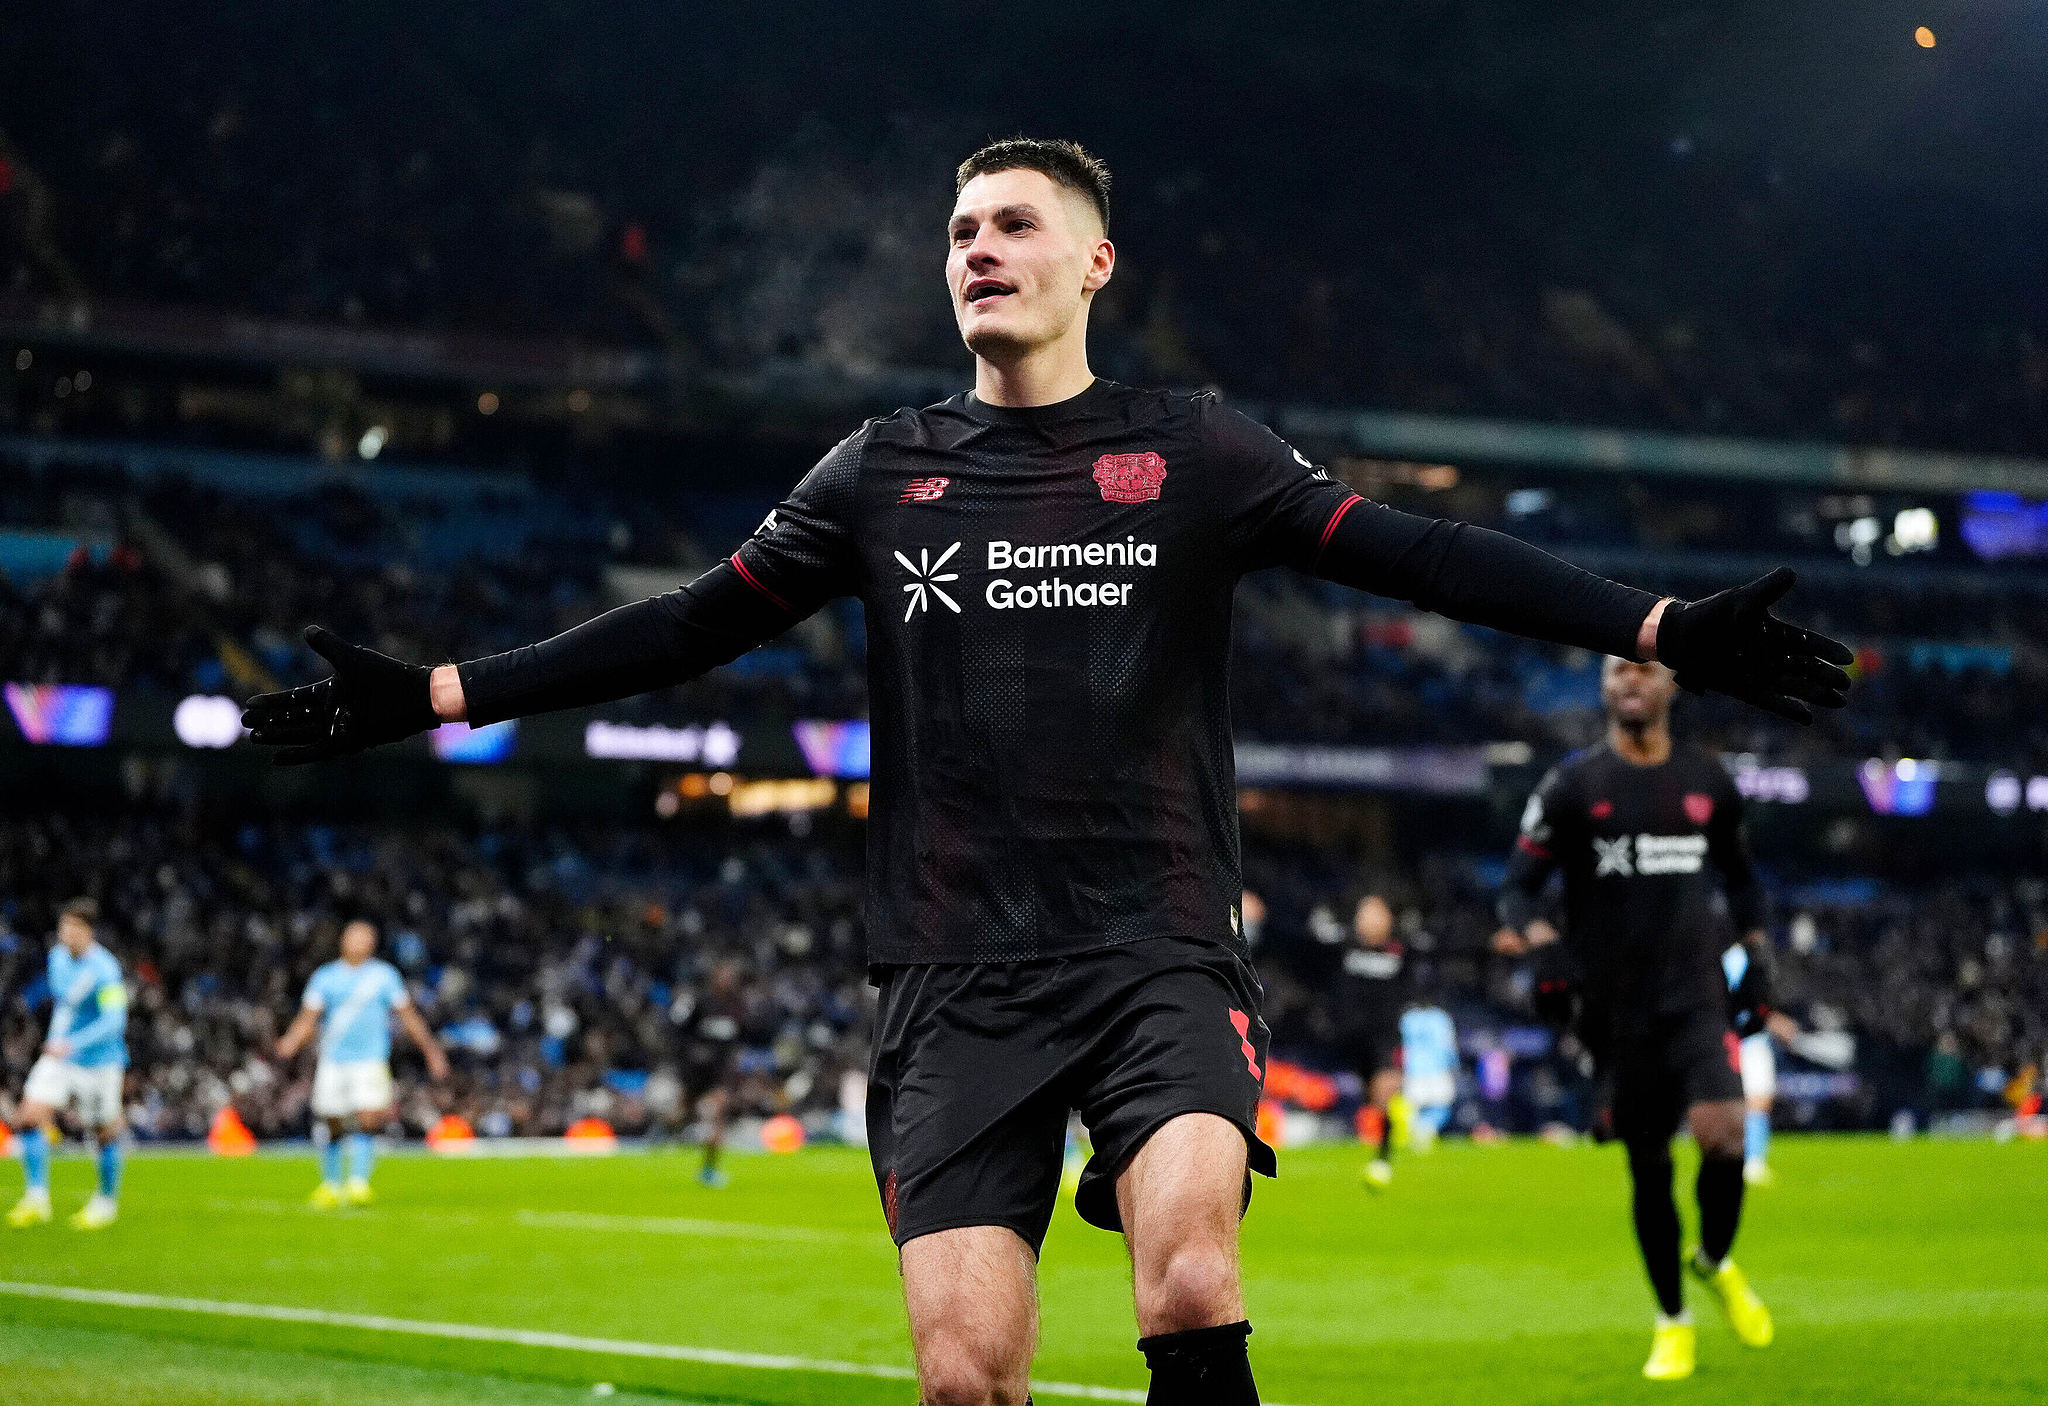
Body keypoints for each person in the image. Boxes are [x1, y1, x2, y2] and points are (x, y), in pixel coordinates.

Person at [243, 138, 1849, 1403]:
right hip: (952, 972)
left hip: (1158, 945)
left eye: (1013, 224)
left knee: (1193, 1283)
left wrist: (1661, 624)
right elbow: (685, 626)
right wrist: (439, 693)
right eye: (959, 232)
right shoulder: (882, 470)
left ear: (1095, 262)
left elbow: (1421, 553)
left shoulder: (1197, 448)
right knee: (968, 1377)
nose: (979, 250)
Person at [1496, 656, 1783, 1382]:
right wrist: (1543, 945)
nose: (1631, 680)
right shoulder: (1572, 787)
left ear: (1672, 683)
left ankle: (1712, 1260)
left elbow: (1743, 879)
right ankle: (1673, 1320)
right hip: (1614, 1012)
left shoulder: (1708, 781)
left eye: (1645, 670)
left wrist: (1759, 955)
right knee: (1649, 1166)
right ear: (1603, 686)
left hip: (1697, 995)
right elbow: (1517, 890)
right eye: (1618, 670)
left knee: (1725, 1134)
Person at [275, 920, 449, 1207]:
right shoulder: (326, 977)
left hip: (370, 1059)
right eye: (355, 937)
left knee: (369, 1117)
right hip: (334, 1059)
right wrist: (290, 1041)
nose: (360, 943)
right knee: (332, 1120)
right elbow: (308, 1017)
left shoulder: (384, 976)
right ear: (343, 940)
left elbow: (408, 1016)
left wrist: (431, 1050)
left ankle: (358, 1182)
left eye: (365, 938)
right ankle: (331, 1185)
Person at [6, 898, 128, 1230]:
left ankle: (105, 1202)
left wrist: (73, 1042)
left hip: (100, 1061)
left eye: (74, 927)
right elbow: (65, 1004)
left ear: (89, 932)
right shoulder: (57, 957)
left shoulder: (106, 970)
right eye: (64, 926)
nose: (67, 933)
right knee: (28, 1116)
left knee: (104, 1132)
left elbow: (114, 1022)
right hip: (60, 1058)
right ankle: (37, 1198)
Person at [1335, 893, 1410, 1187]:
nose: (1369, 919)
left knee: (1384, 1092)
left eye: (1376, 913)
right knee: (1363, 1099)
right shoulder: (1344, 948)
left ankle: (1384, 1156)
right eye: (1364, 913)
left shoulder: (1401, 952)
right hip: (1349, 1038)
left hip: (1385, 1037)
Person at [1722, 943, 1800, 1186]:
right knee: (1754, 1100)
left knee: (1758, 1099)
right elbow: (1744, 1000)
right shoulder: (1735, 956)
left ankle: (1751, 1160)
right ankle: (1750, 1162)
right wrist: (1769, 1018)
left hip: (1747, 1037)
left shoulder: (1743, 955)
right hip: (1742, 1038)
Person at [673, 958, 748, 1189]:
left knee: (718, 1113)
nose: (727, 980)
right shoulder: (699, 1001)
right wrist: (690, 1053)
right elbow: (678, 1028)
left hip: (720, 1070)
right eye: (723, 975)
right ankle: (661, 1135)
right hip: (696, 1068)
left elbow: (743, 1033)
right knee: (681, 1114)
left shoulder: (737, 1004)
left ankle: (708, 1168)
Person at [1399, 992, 1459, 1152]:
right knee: (1442, 1107)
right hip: (1437, 1068)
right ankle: (1424, 1130)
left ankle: (1414, 1131)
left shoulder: (1408, 1018)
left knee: (1412, 1106)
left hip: (1413, 1069)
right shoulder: (1440, 1017)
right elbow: (1448, 1045)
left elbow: (1402, 1044)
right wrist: (1454, 1064)